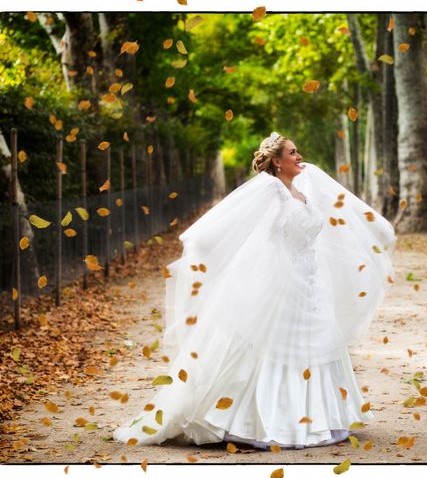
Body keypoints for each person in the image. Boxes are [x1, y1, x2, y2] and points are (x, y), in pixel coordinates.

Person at [112, 131, 397, 450]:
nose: (299, 156)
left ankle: (319, 417)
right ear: (277, 161)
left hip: (311, 283)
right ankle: (255, 421)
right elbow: (222, 228)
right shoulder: (268, 191)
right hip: (280, 284)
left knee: (317, 344)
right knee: (271, 347)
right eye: (292, 152)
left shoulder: (301, 190)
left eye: (297, 151)